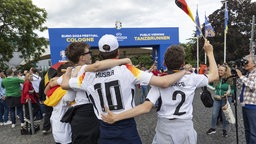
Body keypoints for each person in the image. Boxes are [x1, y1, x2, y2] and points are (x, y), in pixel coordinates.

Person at [61, 34, 188, 144]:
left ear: (100, 53)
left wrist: (68, 71)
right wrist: (183, 72)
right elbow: (164, 82)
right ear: (118, 52)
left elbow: (65, 84)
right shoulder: (128, 69)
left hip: (104, 127)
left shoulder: (87, 75)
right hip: (126, 126)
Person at [101, 39, 218, 144]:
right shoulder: (192, 78)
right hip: (185, 127)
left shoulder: (159, 81)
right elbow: (214, 75)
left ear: (164, 63)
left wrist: (116, 117)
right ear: (183, 64)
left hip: (165, 128)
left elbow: (145, 107)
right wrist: (210, 52)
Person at [59, 41, 136, 144]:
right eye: (88, 52)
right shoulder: (88, 72)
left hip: (93, 113)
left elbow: (65, 91)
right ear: (82, 57)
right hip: (88, 114)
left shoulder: (86, 71)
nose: (91, 55)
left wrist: (69, 74)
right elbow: (68, 96)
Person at [206, 64, 233, 137]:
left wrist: (229, 92)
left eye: (221, 70)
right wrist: (212, 88)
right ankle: (213, 128)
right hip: (217, 99)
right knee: (214, 114)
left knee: (225, 116)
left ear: (225, 71)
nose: (219, 71)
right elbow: (210, 84)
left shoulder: (229, 79)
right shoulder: (216, 78)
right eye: (219, 70)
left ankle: (225, 129)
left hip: (226, 99)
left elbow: (233, 89)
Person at [236, 55, 256, 144]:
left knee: (253, 132)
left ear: (254, 64)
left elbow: (253, 86)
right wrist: (237, 79)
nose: (245, 63)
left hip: (253, 106)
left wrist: (241, 77)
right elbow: (242, 86)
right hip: (245, 105)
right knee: (247, 130)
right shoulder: (248, 74)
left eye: (247, 62)